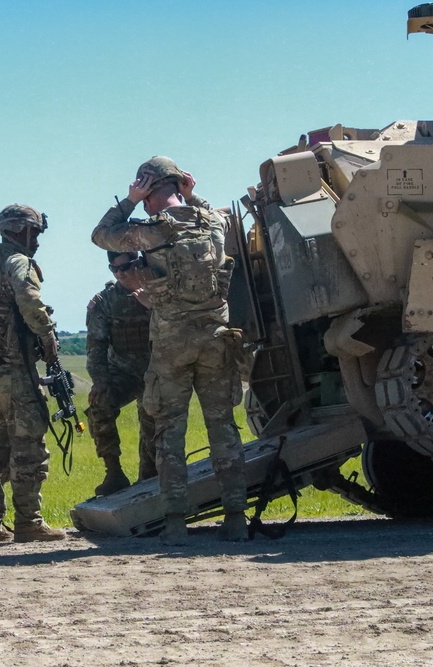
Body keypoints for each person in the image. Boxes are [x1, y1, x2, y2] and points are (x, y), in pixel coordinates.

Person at [91, 157, 248, 544]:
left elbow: (101, 235)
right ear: (181, 185)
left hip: (172, 345)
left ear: (148, 190)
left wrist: (128, 201)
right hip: (216, 339)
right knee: (223, 428)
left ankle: (176, 523)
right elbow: (215, 216)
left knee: (170, 432)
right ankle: (236, 518)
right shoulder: (212, 222)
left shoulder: (149, 230)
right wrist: (193, 196)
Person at [0, 204, 66, 544]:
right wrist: (48, 336)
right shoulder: (17, 263)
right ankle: (28, 522)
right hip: (13, 371)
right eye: (34, 233)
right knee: (28, 447)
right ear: (21, 231)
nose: (36, 241)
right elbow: (30, 302)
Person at [85, 251, 155, 496]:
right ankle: (113, 472)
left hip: (155, 372)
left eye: (126, 266)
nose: (121, 273)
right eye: (114, 269)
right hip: (122, 372)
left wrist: (153, 305)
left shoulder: (159, 291)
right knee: (99, 404)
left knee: (153, 424)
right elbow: (96, 346)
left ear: (139, 262)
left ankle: (150, 476)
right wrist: (100, 381)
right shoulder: (104, 301)